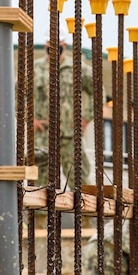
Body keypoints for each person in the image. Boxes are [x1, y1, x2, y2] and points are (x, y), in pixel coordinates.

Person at [33, 38, 95, 189]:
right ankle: (41, 213)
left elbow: (98, 92)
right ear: (45, 45)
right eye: (49, 44)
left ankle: (84, 212)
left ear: (64, 46)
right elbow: (18, 95)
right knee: (41, 183)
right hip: (44, 135)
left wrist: (86, 118)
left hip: (70, 134)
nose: (53, 48)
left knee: (79, 178)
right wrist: (31, 119)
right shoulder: (35, 68)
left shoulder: (77, 68)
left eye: (57, 44)